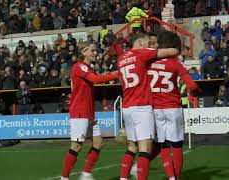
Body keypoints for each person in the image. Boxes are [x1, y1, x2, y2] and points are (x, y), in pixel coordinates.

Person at [117, 33, 179, 180]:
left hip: (127, 106)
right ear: (139, 42)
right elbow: (173, 52)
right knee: (145, 149)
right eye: (147, 42)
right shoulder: (142, 53)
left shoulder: (121, 59)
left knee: (132, 146)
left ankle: (123, 178)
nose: (149, 44)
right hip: (141, 107)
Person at [146, 30, 200, 179]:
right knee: (176, 146)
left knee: (163, 146)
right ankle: (176, 177)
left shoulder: (149, 63)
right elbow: (191, 85)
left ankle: (171, 177)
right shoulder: (175, 64)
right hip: (173, 108)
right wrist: (196, 91)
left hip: (156, 109)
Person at [60, 42, 118, 180]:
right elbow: (96, 80)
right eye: (92, 50)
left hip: (88, 112)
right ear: (84, 52)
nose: (95, 53)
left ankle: (86, 174)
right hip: (80, 112)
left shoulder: (87, 67)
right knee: (76, 146)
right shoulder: (79, 66)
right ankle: (64, 177)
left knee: (98, 142)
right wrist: (115, 74)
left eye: (96, 51)